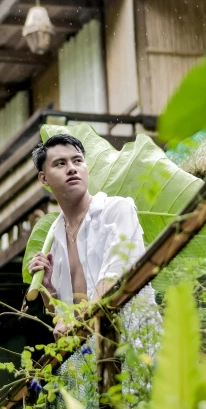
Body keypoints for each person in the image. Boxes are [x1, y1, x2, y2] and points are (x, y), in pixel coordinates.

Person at [28, 133, 154, 339]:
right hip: (89, 359)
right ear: (44, 178)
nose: (71, 168)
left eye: (77, 160)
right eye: (60, 164)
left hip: (134, 343)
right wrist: (48, 289)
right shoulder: (54, 242)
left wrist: (77, 325)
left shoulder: (116, 210)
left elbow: (114, 277)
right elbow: (63, 315)